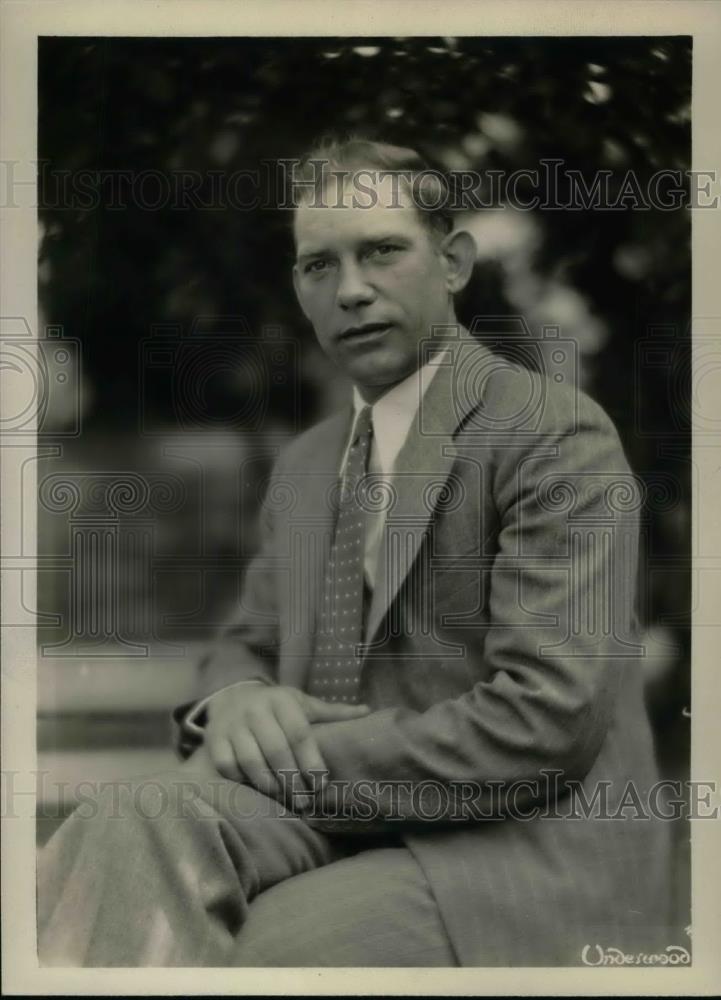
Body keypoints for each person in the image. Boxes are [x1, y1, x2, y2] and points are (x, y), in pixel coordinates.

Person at [38, 137, 672, 967]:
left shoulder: (551, 433)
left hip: (509, 845)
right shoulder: (308, 464)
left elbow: (544, 721)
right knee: (114, 831)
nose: (352, 291)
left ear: (451, 263)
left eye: (381, 252)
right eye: (317, 267)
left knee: (269, 948)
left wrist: (296, 761)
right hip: (335, 820)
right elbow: (246, 643)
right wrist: (231, 705)